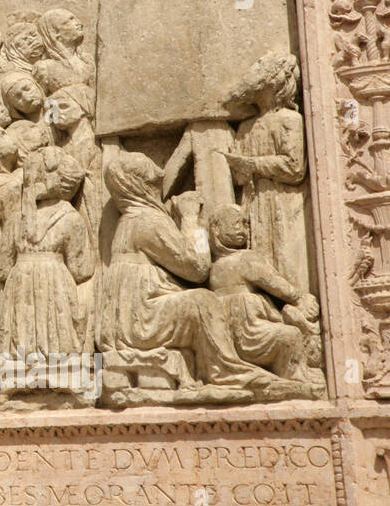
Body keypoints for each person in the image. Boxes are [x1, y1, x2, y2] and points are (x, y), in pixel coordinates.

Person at [101, 151, 275, 389]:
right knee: (202, 301)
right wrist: (191, 219)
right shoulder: (147, 221)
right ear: (141, 187)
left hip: (132, 318)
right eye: (154, 185)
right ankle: (228, 373)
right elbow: (198, 267)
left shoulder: (130, 220)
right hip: (142, 321)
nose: (158, 191)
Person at [0, 148, 93, 366]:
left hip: (19, 282)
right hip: (56, 281)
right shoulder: (71, 219)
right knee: (57, 330)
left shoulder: (15, 221)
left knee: (20, 332)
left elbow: (1, 268)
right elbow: (81, 269)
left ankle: (18, 373)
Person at [222, 52, 310, 291]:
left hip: (283, 202)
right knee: (259, 259)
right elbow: (241, 178)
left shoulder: (289, 120)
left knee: (287, 258)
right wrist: (236, 164)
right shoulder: (246, 127)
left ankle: (298, 302)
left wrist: (252, 164)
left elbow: (294, 168)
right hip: (254, 203)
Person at [207, 204, 321, 384]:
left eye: (245, 224)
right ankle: (296, 380)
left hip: (230, 334)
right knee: (290, 336)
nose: (243, 230)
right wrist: (299, 298)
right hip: (250, 329)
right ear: (217, 229)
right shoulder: (245, 258)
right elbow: (274, 282)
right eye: (236, 223)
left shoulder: (212, 268)